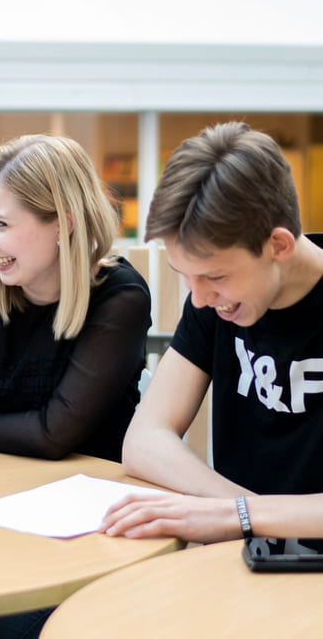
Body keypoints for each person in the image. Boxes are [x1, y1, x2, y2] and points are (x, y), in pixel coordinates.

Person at [0, 133, 151, 638]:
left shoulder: (119, 297)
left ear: (63, 223)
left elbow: (53, 434)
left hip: (80, 527)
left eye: (1, 224)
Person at [99, 121, 323, 545]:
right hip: (245, 555)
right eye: (185, 275)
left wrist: (239, 516)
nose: (199, 299)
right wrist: (242, 515)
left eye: (215, 276)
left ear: (278, 245)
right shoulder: (214, 303)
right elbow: (144, 440)